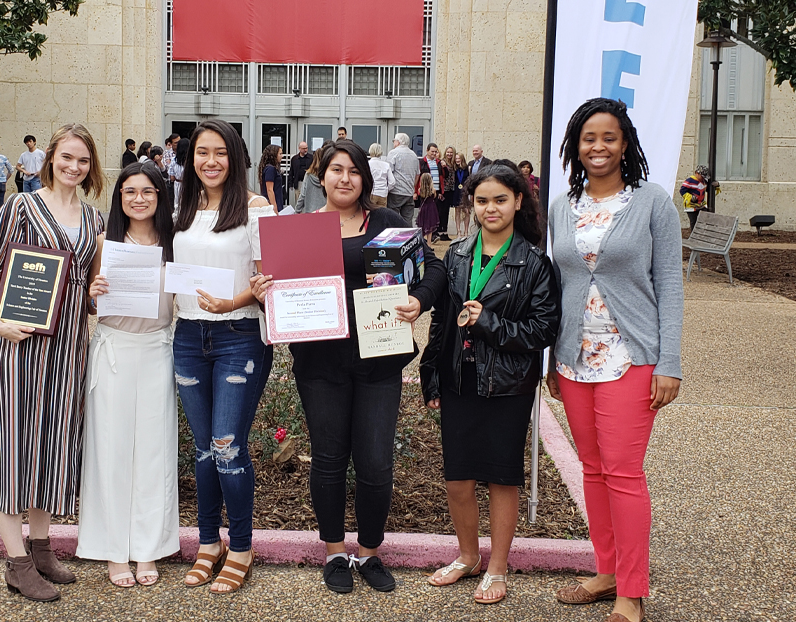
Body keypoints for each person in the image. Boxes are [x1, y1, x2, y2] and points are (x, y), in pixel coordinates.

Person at [250, 140, 447, 595]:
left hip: (380, 360)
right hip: (321, 364)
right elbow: (281, 293)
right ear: (321, 175)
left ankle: (371, 551)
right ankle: (335, 551)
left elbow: (432, 269)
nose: (345, 178)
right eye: (336, 170)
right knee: (330, 460)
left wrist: (419, 300)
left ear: (365, 177)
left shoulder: (388, 223)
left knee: (376, 463)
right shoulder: (300, 229)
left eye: (353, 171)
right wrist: (266, 294)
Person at [546, 98, 683, 622]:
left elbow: (670, 283)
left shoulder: (652, 202)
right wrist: (549, 360)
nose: (598, 147)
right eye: (588, 138)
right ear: (575, 147)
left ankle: (632, 589)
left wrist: (668, 361)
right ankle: (606, 571)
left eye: (608, 137)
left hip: (632, 356)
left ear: (625, 144)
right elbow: (557, 285)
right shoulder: (564, 205)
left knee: (624, 473)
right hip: (573, 359)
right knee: (593, 469)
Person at [0, 123, 106, 603]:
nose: (74, 167)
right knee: (12, 447)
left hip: (68, 354)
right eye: (67, 157)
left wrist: (94, 292)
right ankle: (17, 563)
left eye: (83, 160)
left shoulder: (93, 219)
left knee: (50, 447)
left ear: (92, 167)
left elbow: (85, 290)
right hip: (22, 349)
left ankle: (42, 549)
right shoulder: (23, 206)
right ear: (50, 158)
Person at [420, 163, 560, 605]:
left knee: (502, 479)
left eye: (500, 199)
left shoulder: (535, 263)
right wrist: (431, 373)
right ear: (471, 205)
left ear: (519, 201)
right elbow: (442, 320)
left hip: (508, 386)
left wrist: (490, 324)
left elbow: (542, 331)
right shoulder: (457, 254)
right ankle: (468, 557)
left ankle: (497, 565)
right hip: (459, 379)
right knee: (458, 478)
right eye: (482, 200)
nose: (491, 208)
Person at [173, 119, 274, 594]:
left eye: (220, 152)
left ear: (236, 157)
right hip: (189, 338)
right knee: (202, 450)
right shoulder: (182, 206)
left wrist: (233, 302)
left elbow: (270, 284)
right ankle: (208, 543)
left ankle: (241, 547)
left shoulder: (256, 209)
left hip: (239, 338)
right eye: (201, 152)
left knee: (227, 446)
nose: (210, 161)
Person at [77, 162, 178, 588]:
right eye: (130, 191)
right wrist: (91, 294)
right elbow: (84, 303)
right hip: (114, 349)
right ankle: (112, 550)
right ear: (119, 197)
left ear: (160, 195)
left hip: (158, 350)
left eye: (148, 191)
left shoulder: (174, 243)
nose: (139, 198)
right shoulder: (105, 242)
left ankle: (148, 549)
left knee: (155, 452)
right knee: (111, 451)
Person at [418, 143, 451, 241]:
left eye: (435, 151)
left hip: (436, 191)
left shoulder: (439, 162)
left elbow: (445, 176)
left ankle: (433, 234)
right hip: (425, 192)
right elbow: (418, 177)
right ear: (427, 151)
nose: (434, 153)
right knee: (425, 213)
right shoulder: (422, 162)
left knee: (435, 213)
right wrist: (416, 191)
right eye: (432, 151)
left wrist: (445, 167)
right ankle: (425, 234)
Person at [387, 133, 419, 225]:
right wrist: (412, 187)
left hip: (395, 192)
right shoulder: (414, 155)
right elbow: (417, 174)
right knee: (407, 220)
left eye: (394, 141)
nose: (394, 143)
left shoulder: (393, 153)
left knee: (392, 219)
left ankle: (394, 239)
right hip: (409, 192)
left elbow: (389, 172)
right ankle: (408, 239)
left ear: (398, 142)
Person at [679, 165, 717, 230]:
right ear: (696, 173)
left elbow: (708, 189)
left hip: (701, 205)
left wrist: (716, 186)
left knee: (705, 219)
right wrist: (690, 197)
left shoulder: (704, 181)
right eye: (702, 176)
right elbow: (682, 191)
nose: (703, 178)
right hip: (691, 207)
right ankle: (693, 236)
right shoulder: (689, 180)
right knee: (694, 222)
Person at [294, 145, 326, 214]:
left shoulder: (308, 174)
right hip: (325, 211)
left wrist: (297, 211)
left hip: (310, 211)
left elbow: (302, 195)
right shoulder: (327, 176)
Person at [367, 143, 395, 207]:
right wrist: (386, 190)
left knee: (370, 214)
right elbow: (392, 182)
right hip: (382, 194)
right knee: (382, 215)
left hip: (371, 193)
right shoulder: (386, 165)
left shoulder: (367, 164)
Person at [258, 144, 284, 213]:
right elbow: (269, 190)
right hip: (273, 203)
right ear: (274, 155)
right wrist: (274, 207)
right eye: (280, 154)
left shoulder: (271, 168)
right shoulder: (270, 169)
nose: (282, 156)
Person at [452, 152, 472, 237]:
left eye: (458, 158)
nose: (457, 160)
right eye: (456, 159)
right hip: (456, 192)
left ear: (462, 159)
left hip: (465, 192)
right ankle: (459, 231)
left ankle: (466, 231)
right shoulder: (454, 168)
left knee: (467, 211)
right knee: (457, 211)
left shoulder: (467, 168)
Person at [416, 172, 439, 242]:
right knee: (430, 227)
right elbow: (435, 197)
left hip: (423, 209)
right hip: (431, 208)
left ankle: (422, 242)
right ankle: (429, 243)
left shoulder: (420, 190)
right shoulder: (433, 190)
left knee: (423, 226)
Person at [169, 137, 190, 209]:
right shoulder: (192, 161)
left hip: (178, 183)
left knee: (178, 204)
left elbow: (172, 177)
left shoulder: (174, 160)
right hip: (190, 184)